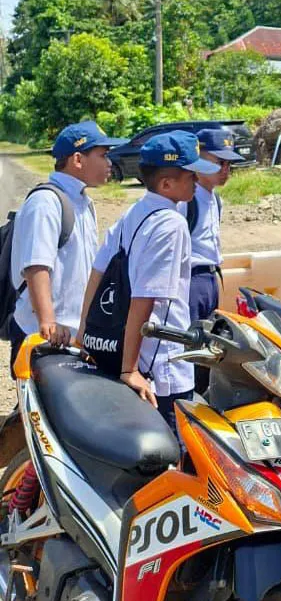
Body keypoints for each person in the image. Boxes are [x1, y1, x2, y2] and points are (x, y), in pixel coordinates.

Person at [78, 131, 219, 431]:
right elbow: (145, 298)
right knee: (174, 459)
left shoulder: (135, 212)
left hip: (130, 353)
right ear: (167, 184)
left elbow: (99, 269)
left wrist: (84, 330)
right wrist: (130, 370)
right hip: (161, 369)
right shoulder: (171, 224)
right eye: (190, 175)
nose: (196, 181)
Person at [8, 121, 123, 369]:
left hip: (71, 334)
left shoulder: (82, 202)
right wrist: (47, 323)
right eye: (103, 156)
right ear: (78, 160)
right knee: (39, 407)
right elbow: (36, 266)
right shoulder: (45, 202)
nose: (109, 163)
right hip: (44, 335)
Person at [176, 128, 242, 393]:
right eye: (219, 162)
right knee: (189, 345)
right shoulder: (186, 201)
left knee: (207, 346)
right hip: (191, 281)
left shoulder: (216, 200)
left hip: (210, 279)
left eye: (229, 164)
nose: (225, 170)